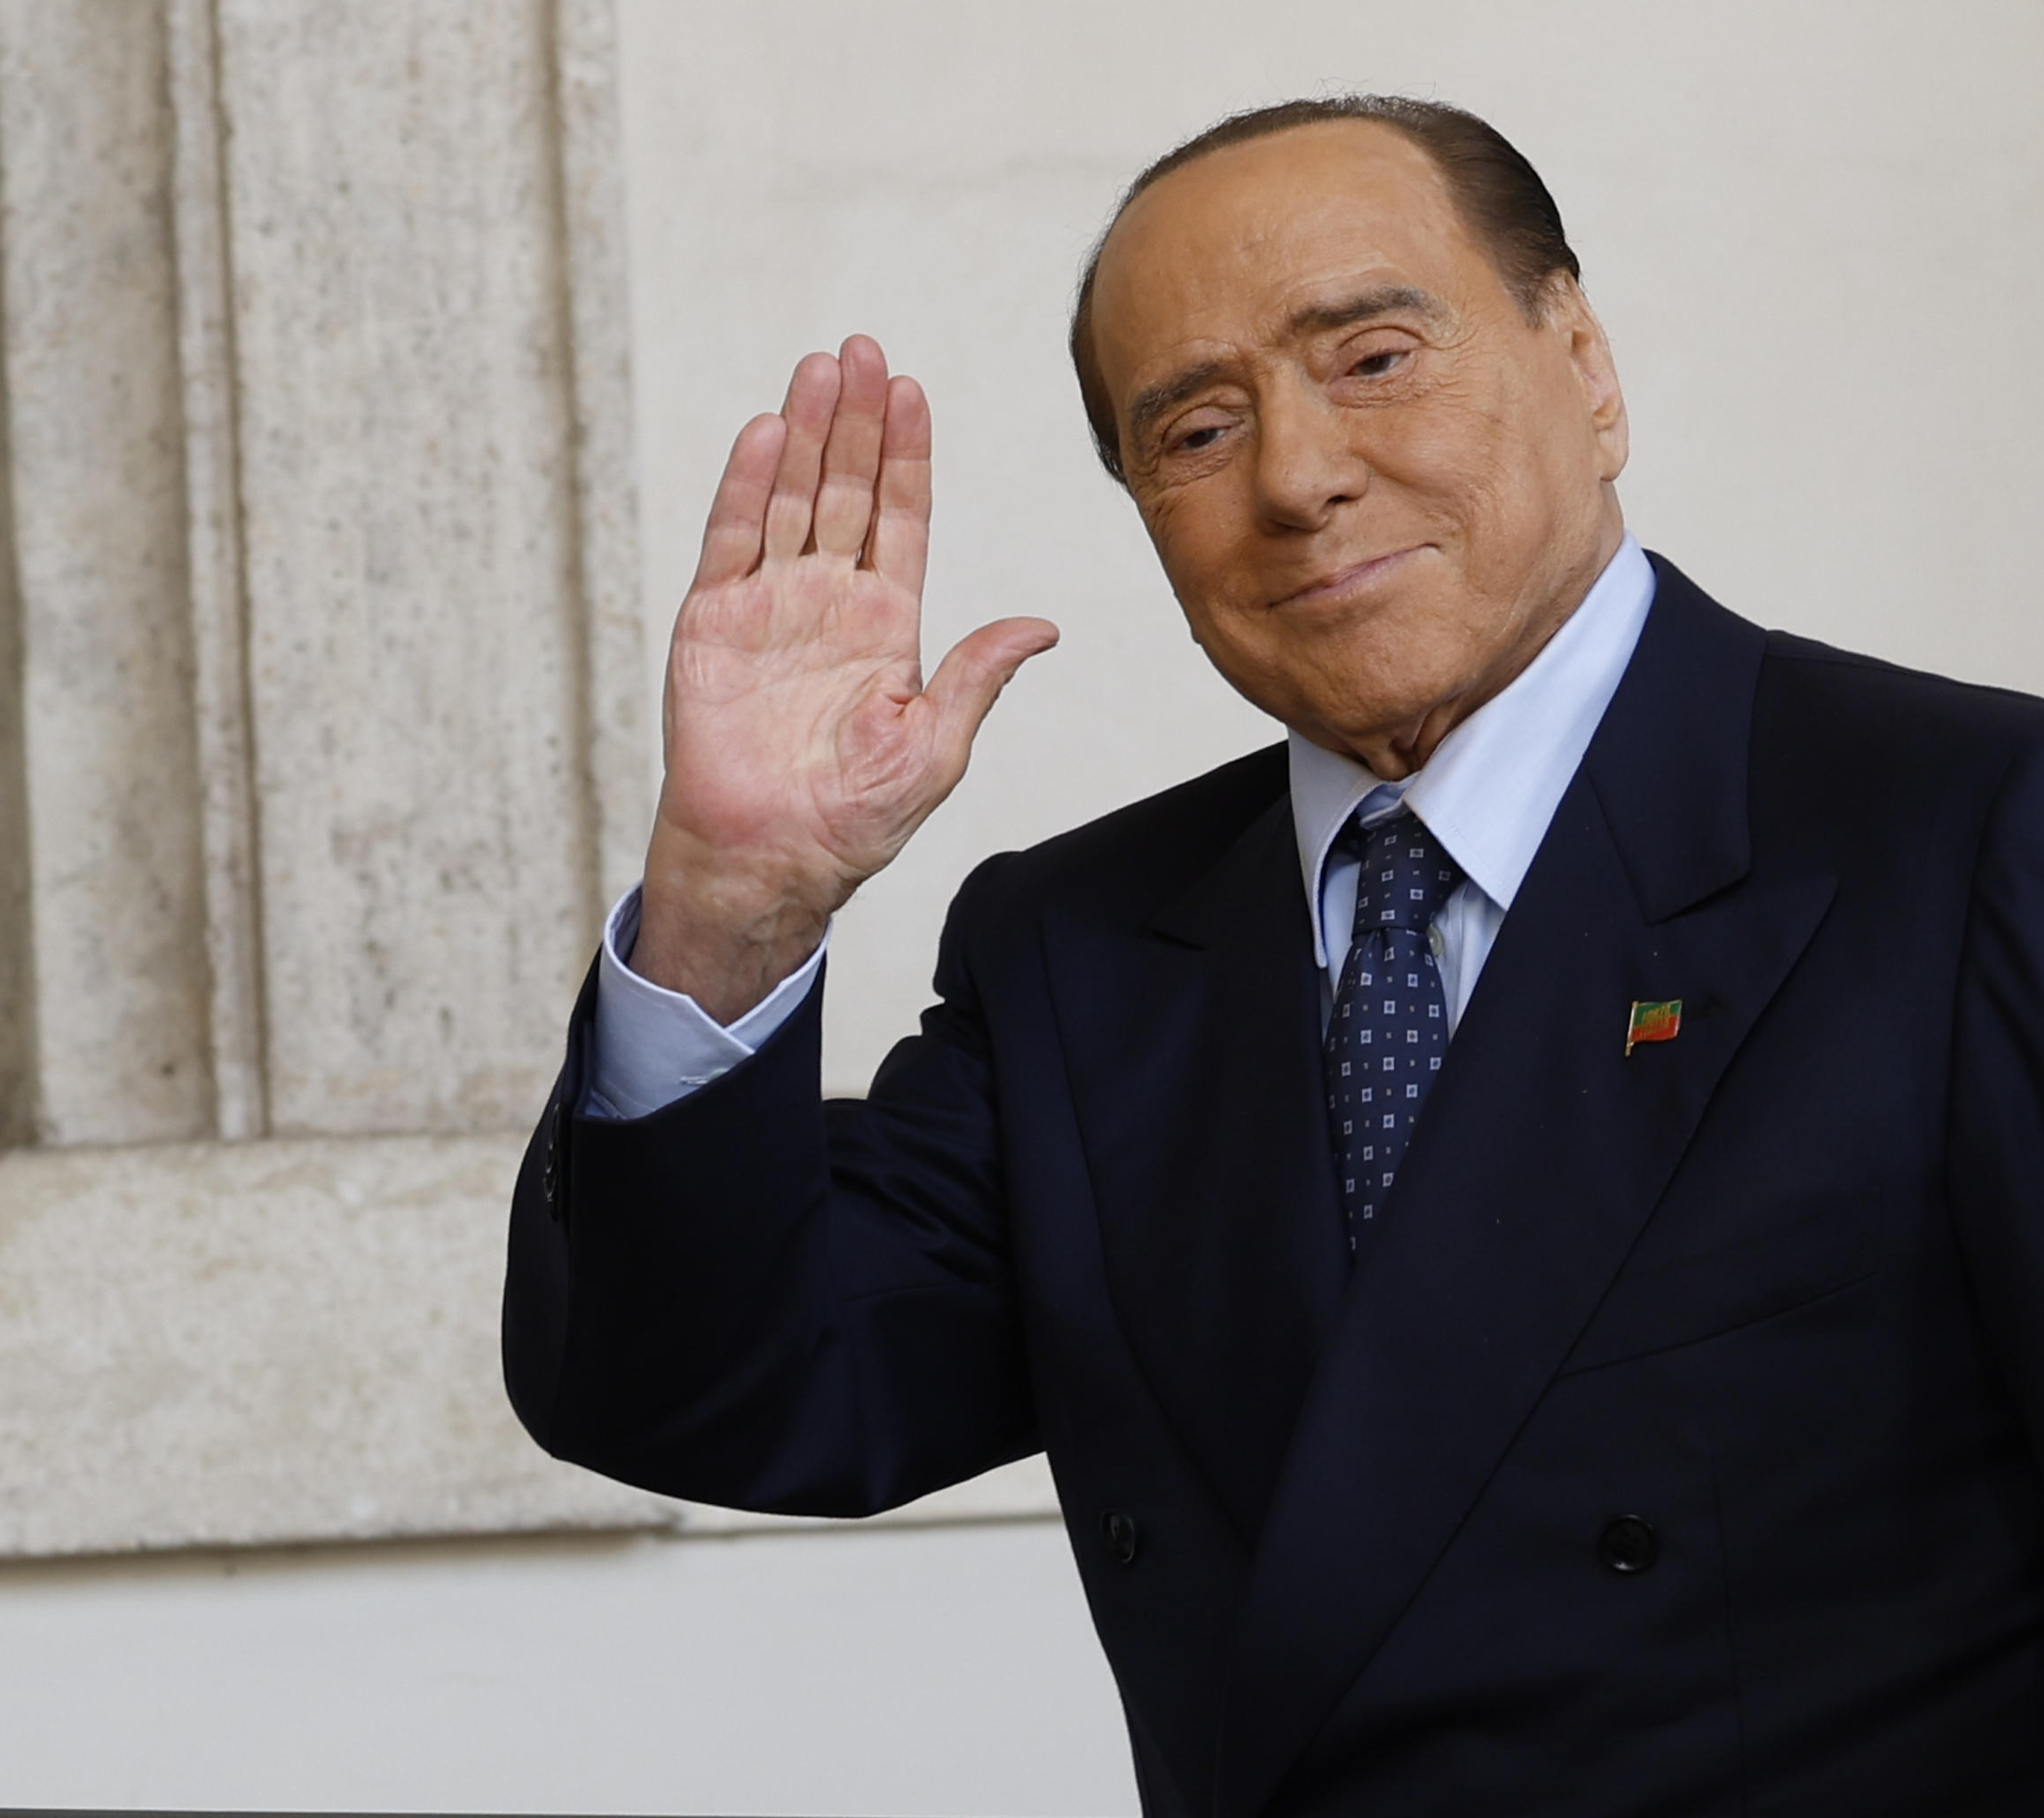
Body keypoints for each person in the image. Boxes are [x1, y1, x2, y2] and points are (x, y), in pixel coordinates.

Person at [502, 95, 2044, 1816]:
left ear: (1587, 363)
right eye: (1197, 429)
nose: (1299, 478)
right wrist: (732, 906)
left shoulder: (1966, 832)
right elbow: (710, 1392)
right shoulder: (1079, 956)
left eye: (1375, 357)